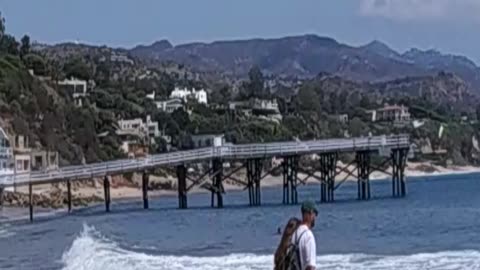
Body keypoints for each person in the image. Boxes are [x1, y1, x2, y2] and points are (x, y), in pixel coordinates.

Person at [291, 200, 318, 270]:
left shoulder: (295, 233)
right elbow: (310, 266)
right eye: (315, 214)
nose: (315, 217)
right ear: (310, 213)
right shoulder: (308, 236)